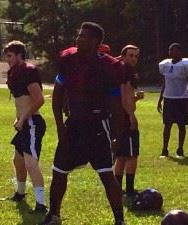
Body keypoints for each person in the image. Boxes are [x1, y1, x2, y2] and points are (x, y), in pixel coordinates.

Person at [39, 22, 135, 225]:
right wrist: (60, 125)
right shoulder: (69, 60)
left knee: (106, 175)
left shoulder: (109, 66)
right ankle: (54, 215)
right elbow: (57, 95)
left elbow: (116, 104)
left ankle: (120, 219)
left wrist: (118, 135)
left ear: (94, 41)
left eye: (83, 36)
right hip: (73, 124)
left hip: (97, 125)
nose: (78, 38)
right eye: (79, 34)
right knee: (59, 171)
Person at [3, 40, 46, 212]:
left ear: (20, 55)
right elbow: (20, 102)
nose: (7, 59)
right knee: (18, 161)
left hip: (32, 122)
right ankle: (20, 194)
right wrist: (18, 119)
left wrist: (23, 119)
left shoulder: (28, 71)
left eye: (10, 56)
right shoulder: (14, 72)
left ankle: (41, 204)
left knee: (30, 163)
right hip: (24, 122)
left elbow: (39, 100)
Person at [112, 45, 144, 199]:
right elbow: (124, 95)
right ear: (123, 56)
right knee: (132, 156)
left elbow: (125, 97)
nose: (134, 59)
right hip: (124, 117)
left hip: (118, 117)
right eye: (130, 55)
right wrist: (131, 115)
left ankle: (117, 189)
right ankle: (129, 190)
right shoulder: (126, 71)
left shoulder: (119, 69)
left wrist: (136, 98)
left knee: (121, 156)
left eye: (136, 56)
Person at [157, 43, 188, 158]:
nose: (171, 52)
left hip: (181, 99)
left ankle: (180, 149)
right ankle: (164, 149)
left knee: (181, 125)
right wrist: (160, 99)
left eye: (174, 50)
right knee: (167, 125)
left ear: (180, 52)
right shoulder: (165, 65)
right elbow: (165, 83)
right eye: (170, 50)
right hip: (168, 98)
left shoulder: (187, 65)